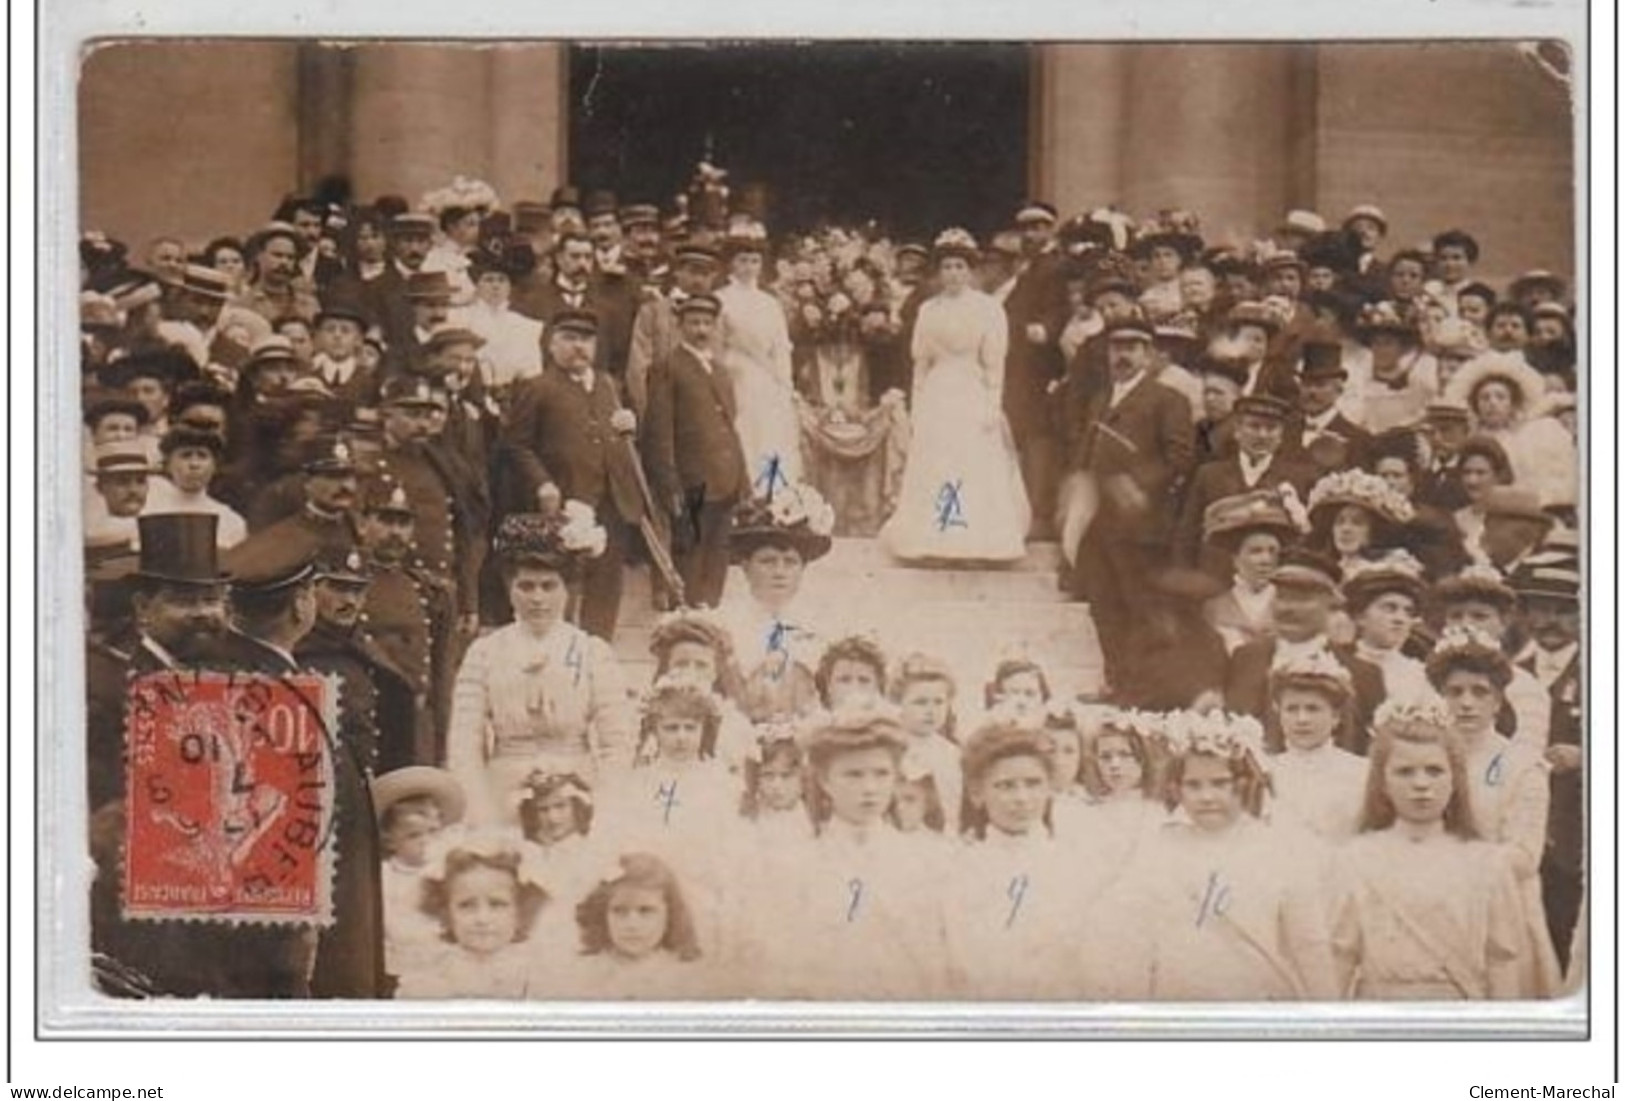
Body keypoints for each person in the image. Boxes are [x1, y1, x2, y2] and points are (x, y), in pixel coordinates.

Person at [1129, 709, 1340, 1001]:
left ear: (1242, 784)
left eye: (1219, 783)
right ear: (1176, 789)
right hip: (1179, 1002)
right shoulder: (1159, 847)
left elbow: (1309, 944)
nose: (1206, 796)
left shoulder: (1278, 847)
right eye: (1194, 785)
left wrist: (1328, 1017)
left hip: (1255, 1000)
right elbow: (1139, 940)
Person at [1330, 697, 1526, 999]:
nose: (1421, 784)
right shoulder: (1355, 858)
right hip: (1379, 1015)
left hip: (1458, 1016)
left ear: (1455, 779)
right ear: (1381, 781)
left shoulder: (1486, 862)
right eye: (1405, 772)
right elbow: (1340, 958)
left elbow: (1502, 960)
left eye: (1434, 771)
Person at [446, 509, 634, 825]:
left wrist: (603, 807)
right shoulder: (485, 652)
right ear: (509, 587)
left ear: (568, 590)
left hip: (576, 794)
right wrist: (480, 810)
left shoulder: (592, 652)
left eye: (549, 586)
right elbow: (464, 742)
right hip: (503, 794)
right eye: (526, 586)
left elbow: (618, 742)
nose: (537, 598)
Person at [1425, 625, 1562, 997]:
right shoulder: (1425, 758)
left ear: (1499, 701)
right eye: (1455, 692)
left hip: (1500, 911)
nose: (1466, 702)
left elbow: (1524, 856)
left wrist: (1444, 862)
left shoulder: (1521, 764)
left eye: (1479, 692)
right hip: (1430, 907)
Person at [880, 227, 1031, 563]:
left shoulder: (988, 309)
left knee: (969, 464)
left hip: (971, 394)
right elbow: (920, 365)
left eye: (960, 267)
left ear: (971, 271)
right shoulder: (928, 310)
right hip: (937, 394)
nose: (953, 274)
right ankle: (934, 541)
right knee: (938, 463)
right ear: (938, 271)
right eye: (947, 267)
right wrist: (917, 408)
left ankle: (973, 544)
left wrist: (992, 407)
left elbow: (995, 368)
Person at [502, 309, 648, 641]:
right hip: (564, 504)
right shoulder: (538, 387)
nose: (578, 347)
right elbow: (515, 446)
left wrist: (629, 428)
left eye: (585, 340)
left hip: (612, 502)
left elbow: (619, 438)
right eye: (568, 338)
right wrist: (542, 483)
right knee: (562, 587)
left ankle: (599, 655)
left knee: (606, 590)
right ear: (551, 345)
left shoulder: (609, 386)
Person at [1066, 315, 1195, 686]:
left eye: (1132, 347)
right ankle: (1117, 682)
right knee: (1103, 606)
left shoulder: (1168, 399)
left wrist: (1138, 485)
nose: (1122, 356)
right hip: (1097, 523)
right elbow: (1088, 452)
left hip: (1141, 525)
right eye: (1116, 347)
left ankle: (1142, 688)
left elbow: (1181, 457)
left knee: (1140, 607)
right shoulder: (1100, 399)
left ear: (1150, 354)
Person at [641, 293, 751, 609]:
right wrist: (669, 485)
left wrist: (742, 479)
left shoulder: (720, 370)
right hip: (692, 485)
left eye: (707, 323)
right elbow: (658, 433)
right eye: (694, 323)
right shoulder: (668, 367)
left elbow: (730, 428)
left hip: (725, 482)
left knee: (718, 558)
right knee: (690, 560)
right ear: (680, 325)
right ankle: (686, 625)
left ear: (716, 327)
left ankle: (711, 621)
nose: (701, 330)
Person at [1223, 548, 1385, 754]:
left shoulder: (1364, 676)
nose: (1288, 608)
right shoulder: (1245, 658)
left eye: (1301, 598)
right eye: (1282, 597)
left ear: (1331, 602)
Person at [1509, 554, 1583, 970]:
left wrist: (1587, 758)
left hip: (1577, 832)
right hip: (1523, 828)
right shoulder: (1510, 675)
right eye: (1539, 609)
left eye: (1562, 610)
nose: (1549, 620)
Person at [714, 483, 837, 723]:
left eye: (790, 562)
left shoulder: (822, 626)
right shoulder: (723, 625)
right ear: (746, 567)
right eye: (768, 561)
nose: (780, 572)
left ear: (802, 569)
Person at [295, 548, 419, 776]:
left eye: (358, 590)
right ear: (311, 590)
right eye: (338, 589)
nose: (350, 601)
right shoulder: (292, 656)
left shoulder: (374, 661)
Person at [394, 834, 551, 999]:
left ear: (520, 910)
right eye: (466, 906)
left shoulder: (535, 975)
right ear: (445, 911)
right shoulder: (429, 978)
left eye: (497, 904)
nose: (482, 919)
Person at [1175, 393, 1317, 573]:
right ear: (1237, 431)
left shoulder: (1299, 478)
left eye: (1271, 428)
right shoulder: (1209, 474)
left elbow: (1304, 538)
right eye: (1254, 426)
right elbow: (1187, 534)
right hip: (1213, 576)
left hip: (1270, 580)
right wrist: (1186, 576)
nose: (1262, 435)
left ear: (1281, 435)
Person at [550, 852, 708, 999]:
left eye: (646, 911)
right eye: (619, 911)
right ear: (602, 915)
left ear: (670, 914)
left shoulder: (685, 977)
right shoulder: (581, 974)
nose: (632, 925)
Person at [715, 228, 802, 489]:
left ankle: (771, 495)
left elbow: (780, 348)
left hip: (766, 382)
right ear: (731, 263)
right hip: (735, 377)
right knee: (742, 435)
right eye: (742, 260)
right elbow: (716, 348)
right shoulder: (721, 299)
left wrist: (785, 386)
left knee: (769, 436)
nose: (749, 267)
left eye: (754, 261)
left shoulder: (769, 303)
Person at [1443, 351, 1576, 509]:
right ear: (1475, 405)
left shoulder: (1527, 439)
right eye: (1484, 398)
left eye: (1500, 397)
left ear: (1512, 404)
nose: (1492, 403)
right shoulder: (1469, 441)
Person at [372, 766, 466, 987]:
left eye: (432, 832)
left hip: (444, 959)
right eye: (413, 835)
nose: (425, 841)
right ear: (390, 840)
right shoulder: (386, 875)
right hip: (400, 960)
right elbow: (385, 921)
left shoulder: (444, 871)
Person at [1265, 649, 1367, 843]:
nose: (1302, 719)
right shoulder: (1265, 771)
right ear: (1279, 713)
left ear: (1336, 716)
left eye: (1313, 709)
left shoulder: (1361, 772)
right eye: (1292, 709)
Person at [625, 242, 721, 417]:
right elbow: (638, 367)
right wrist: (647, 411)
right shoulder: (653, 311)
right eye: (692, 272)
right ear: (678, 272)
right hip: (662, 407)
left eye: (705, 274)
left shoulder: (718, 317)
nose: (698, 280)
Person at [1199, 489, 1299, 654]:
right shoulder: (1213, 610)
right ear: (1236, 559)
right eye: (1255, 551)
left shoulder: (1291, 606)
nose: (1265, 560)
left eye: (1272, 551)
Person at [142, 427, 248, 548]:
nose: (194, 464)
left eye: (202, 456)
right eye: (185, 455)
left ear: (215, 465)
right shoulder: (149, 509)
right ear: (168, 464)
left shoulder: (230, 520)